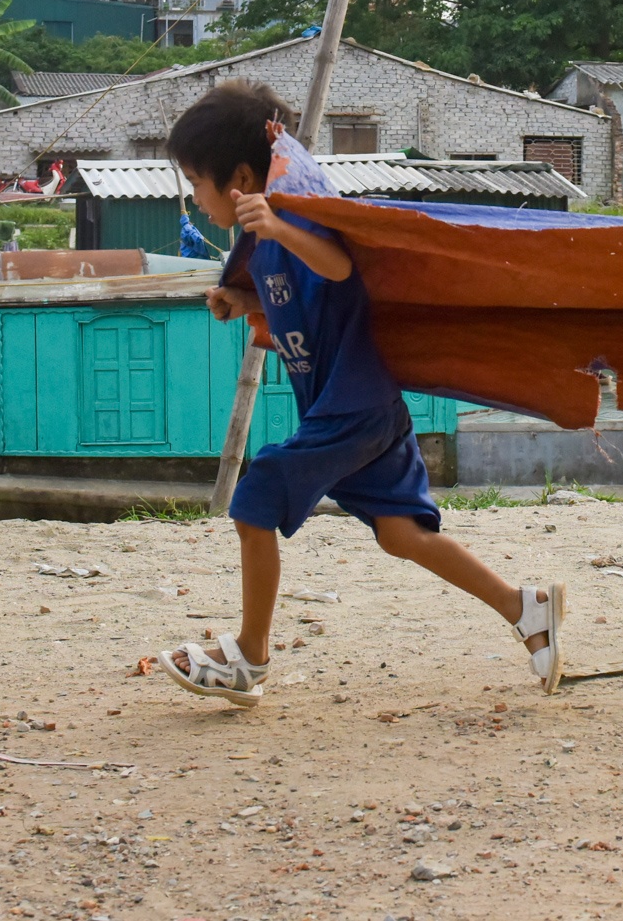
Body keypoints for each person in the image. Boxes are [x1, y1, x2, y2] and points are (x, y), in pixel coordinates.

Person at [152, 80, 566, 706]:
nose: (194, 200)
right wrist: (243, 299)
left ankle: (250, 657)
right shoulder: (263, 240)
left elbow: (340, 268)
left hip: (352, 406)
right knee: (402, 534)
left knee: (254, 500)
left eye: (196, 184)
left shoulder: (294, 219)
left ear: (239, 178)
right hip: (354, 410)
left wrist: (279, 227)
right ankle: (525, 608)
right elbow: (304, 298)